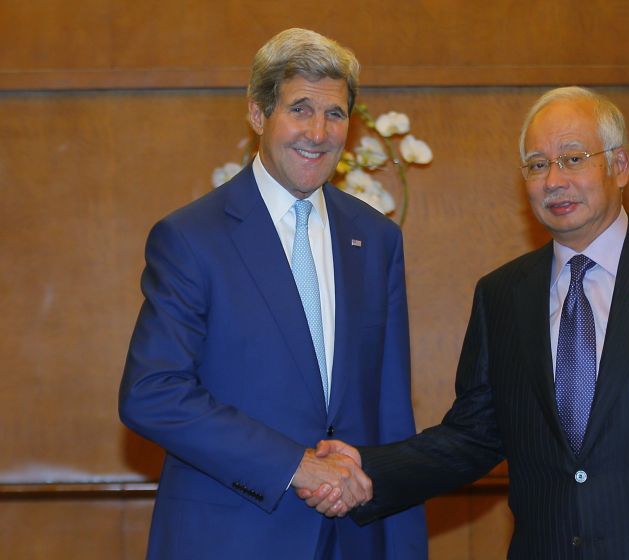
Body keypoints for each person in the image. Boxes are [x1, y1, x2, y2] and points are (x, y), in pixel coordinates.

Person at [306, 86, 629, 558]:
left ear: (620, 166)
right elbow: (473, 436)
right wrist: (366, 468)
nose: (553, 180)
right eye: (536, 164)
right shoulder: (502, 295)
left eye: (573, 159)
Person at [119, 28, 427, 559]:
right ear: (259, 116)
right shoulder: (193, 238)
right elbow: (153, 393)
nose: (318, 131)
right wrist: (295, 465)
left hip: (354, 538)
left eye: (335, 114)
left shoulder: (376, 240)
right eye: (300, 108)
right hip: (231, 540)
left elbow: (391, 410)